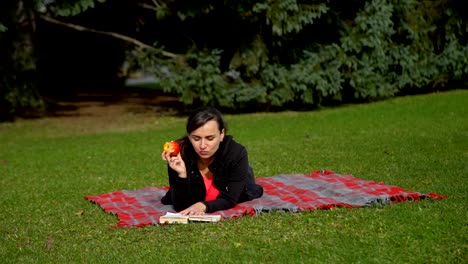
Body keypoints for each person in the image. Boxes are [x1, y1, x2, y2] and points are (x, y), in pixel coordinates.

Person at [161, 106, 263, 215]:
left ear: (221, 134)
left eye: (210, 138)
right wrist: (182, 174)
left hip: (230, 165)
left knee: (245, 181)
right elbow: (181, 206)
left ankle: (246, 167)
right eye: (196, 138)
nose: (203, 146)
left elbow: (230, 199)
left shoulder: (236, 153)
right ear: (189, 136)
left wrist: (203, 206)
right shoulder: (179, 155)